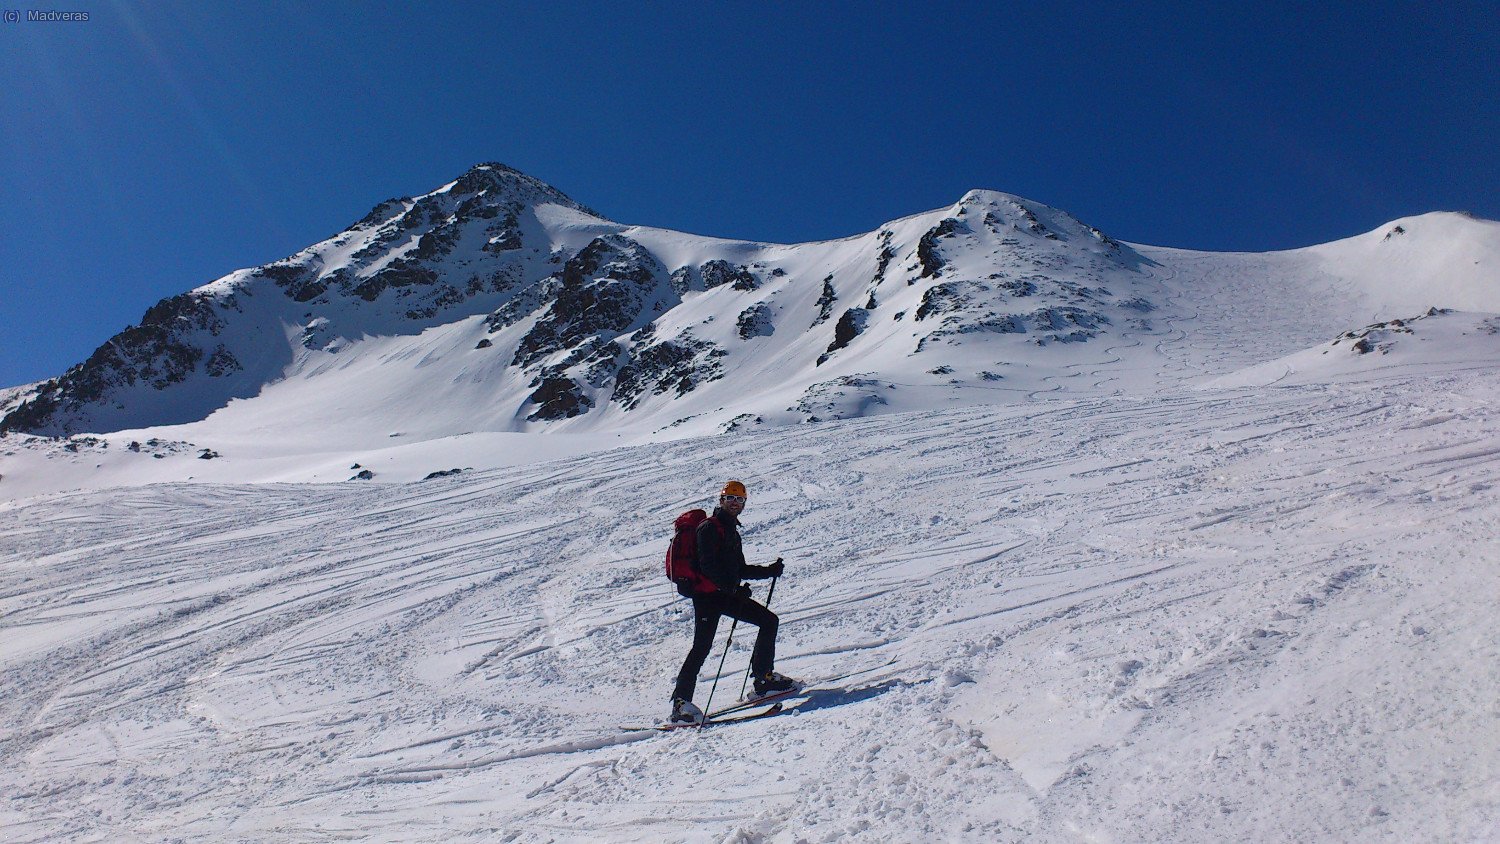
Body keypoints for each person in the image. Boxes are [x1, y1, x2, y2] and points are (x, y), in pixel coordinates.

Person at [670, 480, 798, 724]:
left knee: (769, 621)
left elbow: (738, 568)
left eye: (739, 500)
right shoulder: (709, 528)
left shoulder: (731, 531)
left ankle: (763, 680)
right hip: (707, 597)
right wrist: (734, 589)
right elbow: (707, 566)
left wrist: (768, 571)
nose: (735, 503)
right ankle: (680, 703)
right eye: (730, 498)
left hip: (725, 595)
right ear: (721, 500)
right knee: (701, 647)